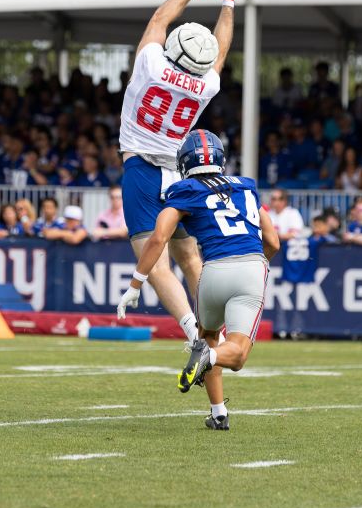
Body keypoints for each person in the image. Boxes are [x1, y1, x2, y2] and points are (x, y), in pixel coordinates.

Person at [117, 130, 280, 431]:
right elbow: (272, 241)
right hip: (248, 267)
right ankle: (209, 357)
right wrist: (258, 265)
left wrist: (136, 283)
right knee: (237, 353)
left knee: (207, 336)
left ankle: (218, 413)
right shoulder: (246, 186)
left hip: (212, 273)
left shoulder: (183, 190)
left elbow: (158, 239)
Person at [118, 0, 236, 344]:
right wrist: (228, 2)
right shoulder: (207, 85)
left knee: (157, 265)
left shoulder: (151, 64)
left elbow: (159, 19)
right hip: (180, 174)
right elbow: (222, 53)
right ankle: (215, 326)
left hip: (142, 168)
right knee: (190, 258)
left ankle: (192, 332)